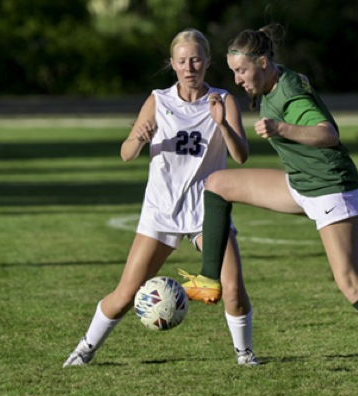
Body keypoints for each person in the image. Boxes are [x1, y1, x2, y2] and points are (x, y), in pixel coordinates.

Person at [180, 25, 358, 376]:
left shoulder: (290, 92)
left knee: (350, 282)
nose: (237, 79)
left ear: (263, 62)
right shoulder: (272, 81)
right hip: (301, 183)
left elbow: (328, 134)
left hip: (330, 188)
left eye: (241, 71)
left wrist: (281, 129)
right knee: (217, 184)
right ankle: (208, 279)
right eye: (233, 72)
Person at [63, 28, 259, 367]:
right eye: (182, 61)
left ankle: (245, 354)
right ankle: (84, 349)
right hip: (161, 209)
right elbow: (126, 154)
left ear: (208, 61)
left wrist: (222, 125)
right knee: (126, 294)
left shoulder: (223, 100)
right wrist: (138, 139)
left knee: (231, 288)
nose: (189, 67)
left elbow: (241, 156)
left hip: (207, 210)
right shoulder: (158, 100)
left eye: (195, 60)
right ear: (172, 63)